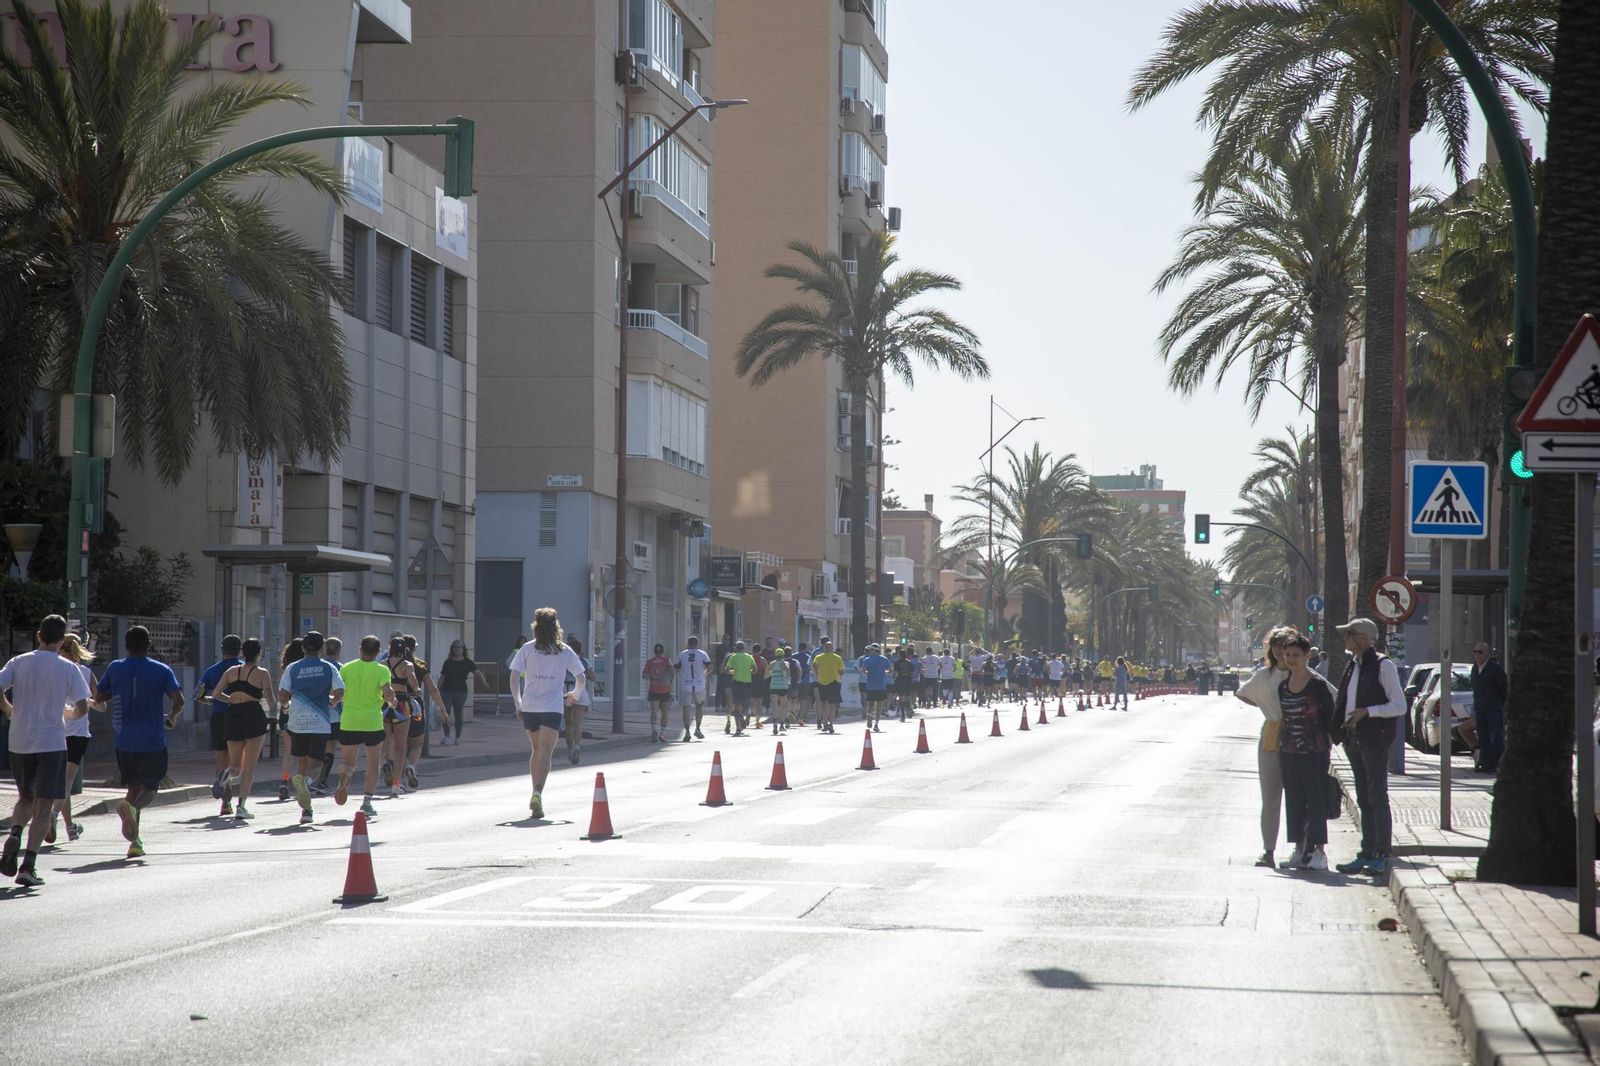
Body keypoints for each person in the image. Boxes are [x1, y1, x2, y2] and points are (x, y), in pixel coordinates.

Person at [0, 615, 92, 886]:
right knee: (44, 805)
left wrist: (7, 709)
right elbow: (82, 707)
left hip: (19, 741)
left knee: (25, 797)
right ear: (62, 640)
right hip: (52, 743)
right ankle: (28, 866)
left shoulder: (19, 662)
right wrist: (69, 713)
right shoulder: (68, 668)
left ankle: (15, 831)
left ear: (38, 636)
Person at [96, 625, 184, 858]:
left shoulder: (115, 668)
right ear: (149, 645)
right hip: (152, 740)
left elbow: (99, 696)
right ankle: (132, 810)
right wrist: (172, 717)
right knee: (151, 788)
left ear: (125, 646)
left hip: (124, 740)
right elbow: (179, 700)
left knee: (133, 787)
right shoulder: (161, 670)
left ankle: (135, 843)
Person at [1331, 618, 1408, 876]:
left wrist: (1368, 712)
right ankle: (1366, 851)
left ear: (1363, 638)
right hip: (1354, 740)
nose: (1346, 639)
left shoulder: (1383, 665)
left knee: (1377, 795)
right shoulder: (1353, 665)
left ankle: (1381, 853)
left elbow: (1399, 705)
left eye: (1349, 635)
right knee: (1363, 797)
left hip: (1373, 741)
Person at [508, 609, 587, 818]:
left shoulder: (526, 649)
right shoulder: (565, 651)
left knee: (536, 750)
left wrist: (518, 703)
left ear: (536, 626)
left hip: (530, 707)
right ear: (556, 627)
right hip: (552, 708)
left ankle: (535, 792)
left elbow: (514, 678)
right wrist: (575, 694)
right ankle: (537, 793)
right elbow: (582, 678)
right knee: (545, 752)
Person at [1275, 631, 1340, 871]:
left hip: (1315, 751)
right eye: (1287, 654)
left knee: (1316, 801)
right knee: (1294, 800)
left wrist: (1330, 741)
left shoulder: (1317, 685)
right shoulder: (1283, 686)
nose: (1291, 659)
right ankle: (1299, 850)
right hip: (1289, 751)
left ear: (1306, 656)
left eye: (1296, 655)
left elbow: (1330, 717)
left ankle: (1319, 853)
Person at [1237, 628, 1293, 868]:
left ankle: (1303, 850)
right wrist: (1265, 705)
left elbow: (1330, 696)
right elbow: (1243, 694)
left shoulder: (1303, 675)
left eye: (1285, 645)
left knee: (1298, 797)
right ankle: (1268, 851)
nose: (1280, 650)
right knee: (1270, 797)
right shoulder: (1264, 676)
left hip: (1299, 737)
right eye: (1276, 645)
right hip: (1271, 735)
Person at [278, 631, 343, 826]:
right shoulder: (329, 667)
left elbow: (282, 693)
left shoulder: (293, 667)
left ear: (303, 648)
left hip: (297, 722)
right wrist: (332, 701)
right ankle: (305, 784)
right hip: (320, 722)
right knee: (316, 764)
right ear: (322, 649)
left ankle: (306, 811)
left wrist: (286, 707)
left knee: (302, 764)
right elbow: (340, 691)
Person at [209, 637, 276, 824]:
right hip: (253, 715)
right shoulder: (261, 673)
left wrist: (230, 699)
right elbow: (271, 700)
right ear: (258, 654)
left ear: (242, 653)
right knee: (249, 768)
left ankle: (226, 774)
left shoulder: (231, 671)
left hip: (232, 716)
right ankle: (242, 806)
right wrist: (268, 701)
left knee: (236, 765)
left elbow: (215, 694)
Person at [334, 636, 397, 818]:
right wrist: (392, 701)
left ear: (360, 649)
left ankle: (345, 775)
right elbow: (387, 694)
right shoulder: (382, 670)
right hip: (371, 722)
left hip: (349, 720)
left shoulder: (346, 668)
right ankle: (367, 801)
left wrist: (335, 700)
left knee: (348, 761)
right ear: (378, 652)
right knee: (373, 762)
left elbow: (337, 692)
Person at [51, 631, 97, 845]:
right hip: (78, 732)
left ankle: (69, 826)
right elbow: (101, 703)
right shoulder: (86, 672)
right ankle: (52, 815)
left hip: (56, 730)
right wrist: (93, 704)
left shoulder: (55, 670)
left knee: (62, 781)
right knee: (67, 780)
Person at [198, 634, 244, 816]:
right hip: (240, 716)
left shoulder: (211, 670)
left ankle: (225, 803)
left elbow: (197, 695)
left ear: (221, 649)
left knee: (221, 759)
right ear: (240, 650)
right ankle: (237, 798)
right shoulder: (245, 669)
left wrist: (210, 700)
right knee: (238, 762)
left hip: (218, 717)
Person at [399, 634, 446, 787]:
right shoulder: (419, 665)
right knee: (417, 743)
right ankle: (411, 766)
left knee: (399, 745)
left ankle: (397, 780)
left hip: (397, 705)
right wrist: (443, 709)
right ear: (415, 648)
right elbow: (432, 688)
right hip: (415, 706)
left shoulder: (390, 664)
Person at [380, 636, 417, 796]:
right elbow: (414, 684)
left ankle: (384, 763)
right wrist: (417, 690)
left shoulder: (382, 664)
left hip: (384, 703)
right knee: (400, 747)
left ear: (390, 647)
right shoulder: (407, 665)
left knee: (384, 741)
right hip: (401, 704)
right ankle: (396, 783)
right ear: (405, 649)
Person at [437, 639, 486, 747]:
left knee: (458, 713)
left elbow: (477, 672)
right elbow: (442, 677)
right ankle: (447, 736)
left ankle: (458, 737)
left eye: (459, 647)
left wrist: (483, 682)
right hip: (446, 690)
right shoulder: (448, 662)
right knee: (446, 713)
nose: (457, 649)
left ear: (463, 649)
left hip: (461, 691)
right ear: (452, 649)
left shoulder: (467, 662)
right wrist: (436, 689)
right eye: (455, 647)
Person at [1470, 643, 1508, 774]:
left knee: (1496, 737)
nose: (1477, 655)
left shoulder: (1495, 669)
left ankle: (1497, 764)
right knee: (1483, 738)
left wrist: (1499, 704)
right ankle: (1485, 763)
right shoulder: (1475, 669)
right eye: (1475, 652)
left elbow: (1504, 688)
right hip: (1480, 710)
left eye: (1480, 652)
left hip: (1493, 709)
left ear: (1486, 653)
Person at [275, 637, 304, 800]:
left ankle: (285, 780)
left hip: (286, 711)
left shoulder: (285, 669)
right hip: (301, 711)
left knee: (288, 751)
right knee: (302, 752)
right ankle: (299, 783)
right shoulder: (304, 669)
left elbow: (282, 689)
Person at [316, 637, 345, 791]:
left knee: (315, 747)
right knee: (330, 747)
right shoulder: (341, 668)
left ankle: (308, 780)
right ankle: (322, 781)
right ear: (339, 652)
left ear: (324, 649)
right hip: (334, 713)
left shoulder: (318, 666)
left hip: (315, 712)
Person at [562, 637, 595, 763]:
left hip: (568, 690)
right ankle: (577, 746)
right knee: (577, 723)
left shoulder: (565, 660)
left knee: (568, 724)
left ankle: (570, 750)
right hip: (581, 690)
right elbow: (593, 677)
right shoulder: (585, 661)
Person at [674, 636, 711, 741]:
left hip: (686, 684)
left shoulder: (682, 654)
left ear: (688, 644)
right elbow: (710, 667)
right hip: (699, 684)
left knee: (686, 708)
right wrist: (705, 673)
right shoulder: (703, 654)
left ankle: (687, 731)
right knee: (699, 705)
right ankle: (698, 728)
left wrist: (681, 670)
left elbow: (676, 668)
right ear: (697, 644)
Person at [644, 643, 675, 743]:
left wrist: (651, 678)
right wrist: (671, 680)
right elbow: (672, 671)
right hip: (665, 690)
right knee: (664, 712)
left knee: (654, 711)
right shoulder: (667, 660)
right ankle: (663, 732)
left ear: (654, 652)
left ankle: (653, 729)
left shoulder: (650, 662)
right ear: (662, 651)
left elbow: (644, 676)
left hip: (653, 690)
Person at [723, 641, 755, 736]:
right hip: (747, 683)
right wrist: (748, 672)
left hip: (736, 684)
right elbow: (755, 669)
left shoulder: (733, 657)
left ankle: (738, 728)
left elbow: (727, 669)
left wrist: (732, 672)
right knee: (745, 705)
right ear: (744, 648)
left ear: (736, 648)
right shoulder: (749, 657)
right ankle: (742, 716)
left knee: (736, 706)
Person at [858, 644, 892, 731]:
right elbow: (891, 670)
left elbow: (863, 670)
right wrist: (885, 673)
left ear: (873, 650)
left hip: (870, 685)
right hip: (881, 685)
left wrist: (868, 674)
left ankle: (869, 717)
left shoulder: (867, 659)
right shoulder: (884, 659)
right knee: (879, 705)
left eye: (871, 650)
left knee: (871, 703)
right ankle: (876, 724)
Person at [812, 639, 844, 734]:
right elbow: (842, 671)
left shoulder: (819, 657)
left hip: (822, 682)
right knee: (832, 704)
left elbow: (814, 665)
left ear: (824, 648)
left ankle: (825, 723)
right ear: (832, 648)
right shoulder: (837, 658)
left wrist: (817, 673)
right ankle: (831, 723)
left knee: (823, 703)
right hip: (834, 682)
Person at [765, 646, 791, 735]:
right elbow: (787, 669)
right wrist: (787, 675)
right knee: (783, 706)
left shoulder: (772, 663)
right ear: (783, 655)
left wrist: (773, 672)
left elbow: (765, 675)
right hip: (783, 686)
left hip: (774, 686)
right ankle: (782, 725)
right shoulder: (785, 662)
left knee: (774, 706)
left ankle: (775, 722)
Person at [892, 647, 917, 726]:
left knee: (901, 697)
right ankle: (909, 709)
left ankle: (903, 715)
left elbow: (895, 673)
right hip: (908, 681)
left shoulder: (897, 663)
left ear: (899, 655)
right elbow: (913, 673)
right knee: (908, 696)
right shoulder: (909, 663)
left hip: (900, 681)